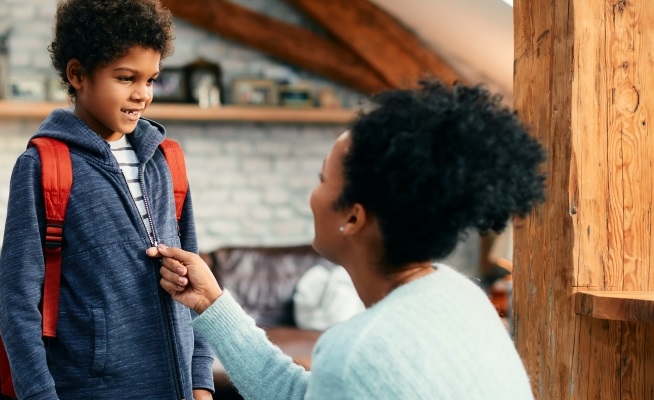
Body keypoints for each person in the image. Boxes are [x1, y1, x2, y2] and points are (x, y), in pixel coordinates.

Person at [150, 80, 546, 399]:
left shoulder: (358, 350)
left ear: (353, 217)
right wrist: (210, 303)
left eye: (323, 178)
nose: (313, 193)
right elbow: (302, 395)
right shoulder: (459, 294)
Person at [0, 1, 214, 399]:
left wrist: (201, 382)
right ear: (77, 74)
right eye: (126, 78)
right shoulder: (43, 166)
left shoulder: (167, 161)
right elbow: (16, 302)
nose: (142, 94)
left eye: (151, 80)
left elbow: (194, 276)